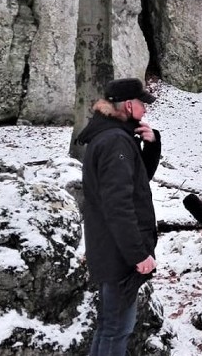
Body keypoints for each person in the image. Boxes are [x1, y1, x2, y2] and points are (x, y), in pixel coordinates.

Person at [78, 77, 162, 356]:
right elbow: (119, 206)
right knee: (117, 330)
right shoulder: (116, 143)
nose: (145, 110)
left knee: (109, 326)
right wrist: (138, 254)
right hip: (118, 253)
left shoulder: (113, 136)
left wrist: (152, 146)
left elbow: (137, 183)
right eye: (142, 104)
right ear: (128, 105)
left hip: (109, 246)